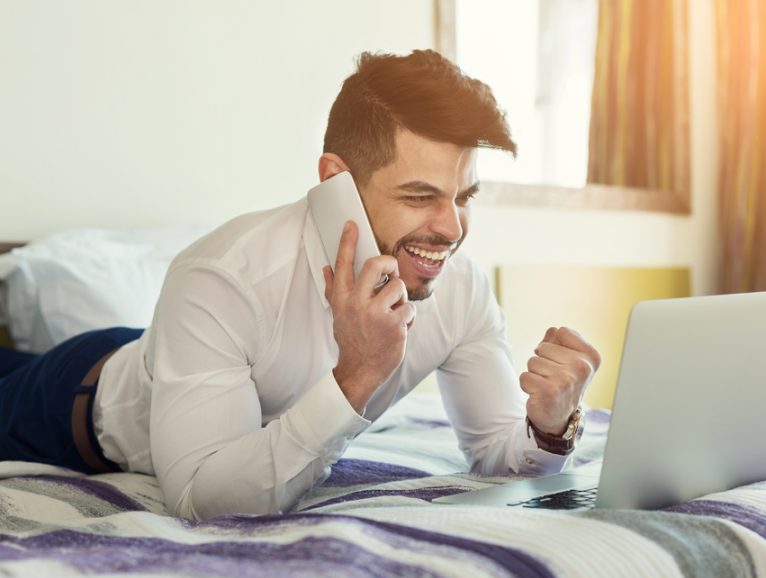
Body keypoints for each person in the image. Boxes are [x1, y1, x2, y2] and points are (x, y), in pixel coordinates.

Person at [0, 49, 601, 520]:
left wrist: (550, 428)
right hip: (76, 400)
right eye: (420, 197)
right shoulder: (220, 278)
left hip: (177, 358)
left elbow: (499, 456)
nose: (451, 229)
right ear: (335, 180)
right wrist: (357, 376)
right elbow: (201, 500)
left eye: (463, 197)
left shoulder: (460, 290)